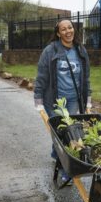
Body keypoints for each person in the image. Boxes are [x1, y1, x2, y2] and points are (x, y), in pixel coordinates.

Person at [34, 19, 92, 185]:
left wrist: (87, 99)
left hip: (74, 99)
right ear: (58, 33)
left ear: (74, 30)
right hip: (55, 100)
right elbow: (42, 77)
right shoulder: (49, 51)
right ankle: (63, 165)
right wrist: (38, 99)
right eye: (64, 29)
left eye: (70, 28)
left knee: (71, 132)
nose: (68, 31)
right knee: (60, 133)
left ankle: (59, 158)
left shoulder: (81, 50)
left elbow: (86, 77)